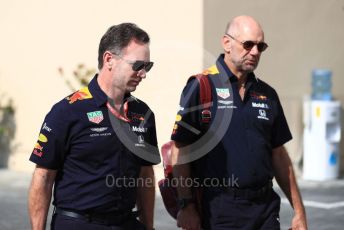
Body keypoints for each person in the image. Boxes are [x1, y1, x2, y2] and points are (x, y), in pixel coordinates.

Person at [171, 15, 307, 230]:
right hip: (220, 209)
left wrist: (299, 212)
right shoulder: (202, 87)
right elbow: (180, 151)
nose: (254, 52)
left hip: (265, 209)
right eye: (248, 44)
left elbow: (279, 154)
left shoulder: (267, 94)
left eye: (260, 46)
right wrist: (186, 206)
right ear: (227, 43)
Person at [28, 23, 160, 230]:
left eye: (148, 66)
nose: (143, 73)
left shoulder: (143, 114)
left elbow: (145, 175)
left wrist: (149, 226)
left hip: (126, 222)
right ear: (109, 60)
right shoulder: (68, 111)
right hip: (78, 223)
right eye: (137, 65)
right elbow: (43, 177)